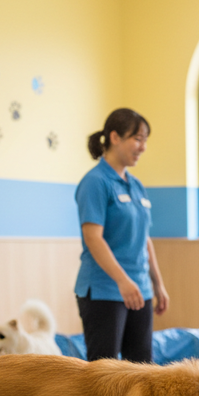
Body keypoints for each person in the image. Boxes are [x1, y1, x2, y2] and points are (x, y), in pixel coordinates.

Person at [75, 108, 169, 362]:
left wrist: (157, 284)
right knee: (104, 373)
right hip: (105, 289)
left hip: (140, 288)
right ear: (115, 137)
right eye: (137, 139)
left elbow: (144, 238)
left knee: (141, 368)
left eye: (145, 140)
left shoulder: (136, 185)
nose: (143, 147)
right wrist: (122, 281)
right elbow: (93, 238)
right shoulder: (95, 182)